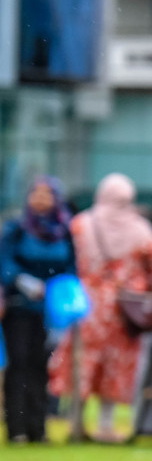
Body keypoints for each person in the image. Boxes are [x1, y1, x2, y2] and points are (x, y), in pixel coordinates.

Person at [47, 174, 152, 443]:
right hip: (124, 310)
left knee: (83, 363)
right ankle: (107, 426)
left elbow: (67, 259)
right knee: (116, 366)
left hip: (88, 306)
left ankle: (76, 423)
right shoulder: (141, 229)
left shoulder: (82, 224)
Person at [0, 177, 75, 443]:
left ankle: (38, 428)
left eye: (47, 194)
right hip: (20, 307)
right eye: (36, 193)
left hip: (51, 311)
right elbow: (4, 261)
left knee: (42, 367)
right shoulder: (17, 229)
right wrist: (21, 280)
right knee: (19, 363)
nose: (41, 199)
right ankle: (17, 428)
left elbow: (70, 267)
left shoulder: (63, 231)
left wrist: (58, 290)